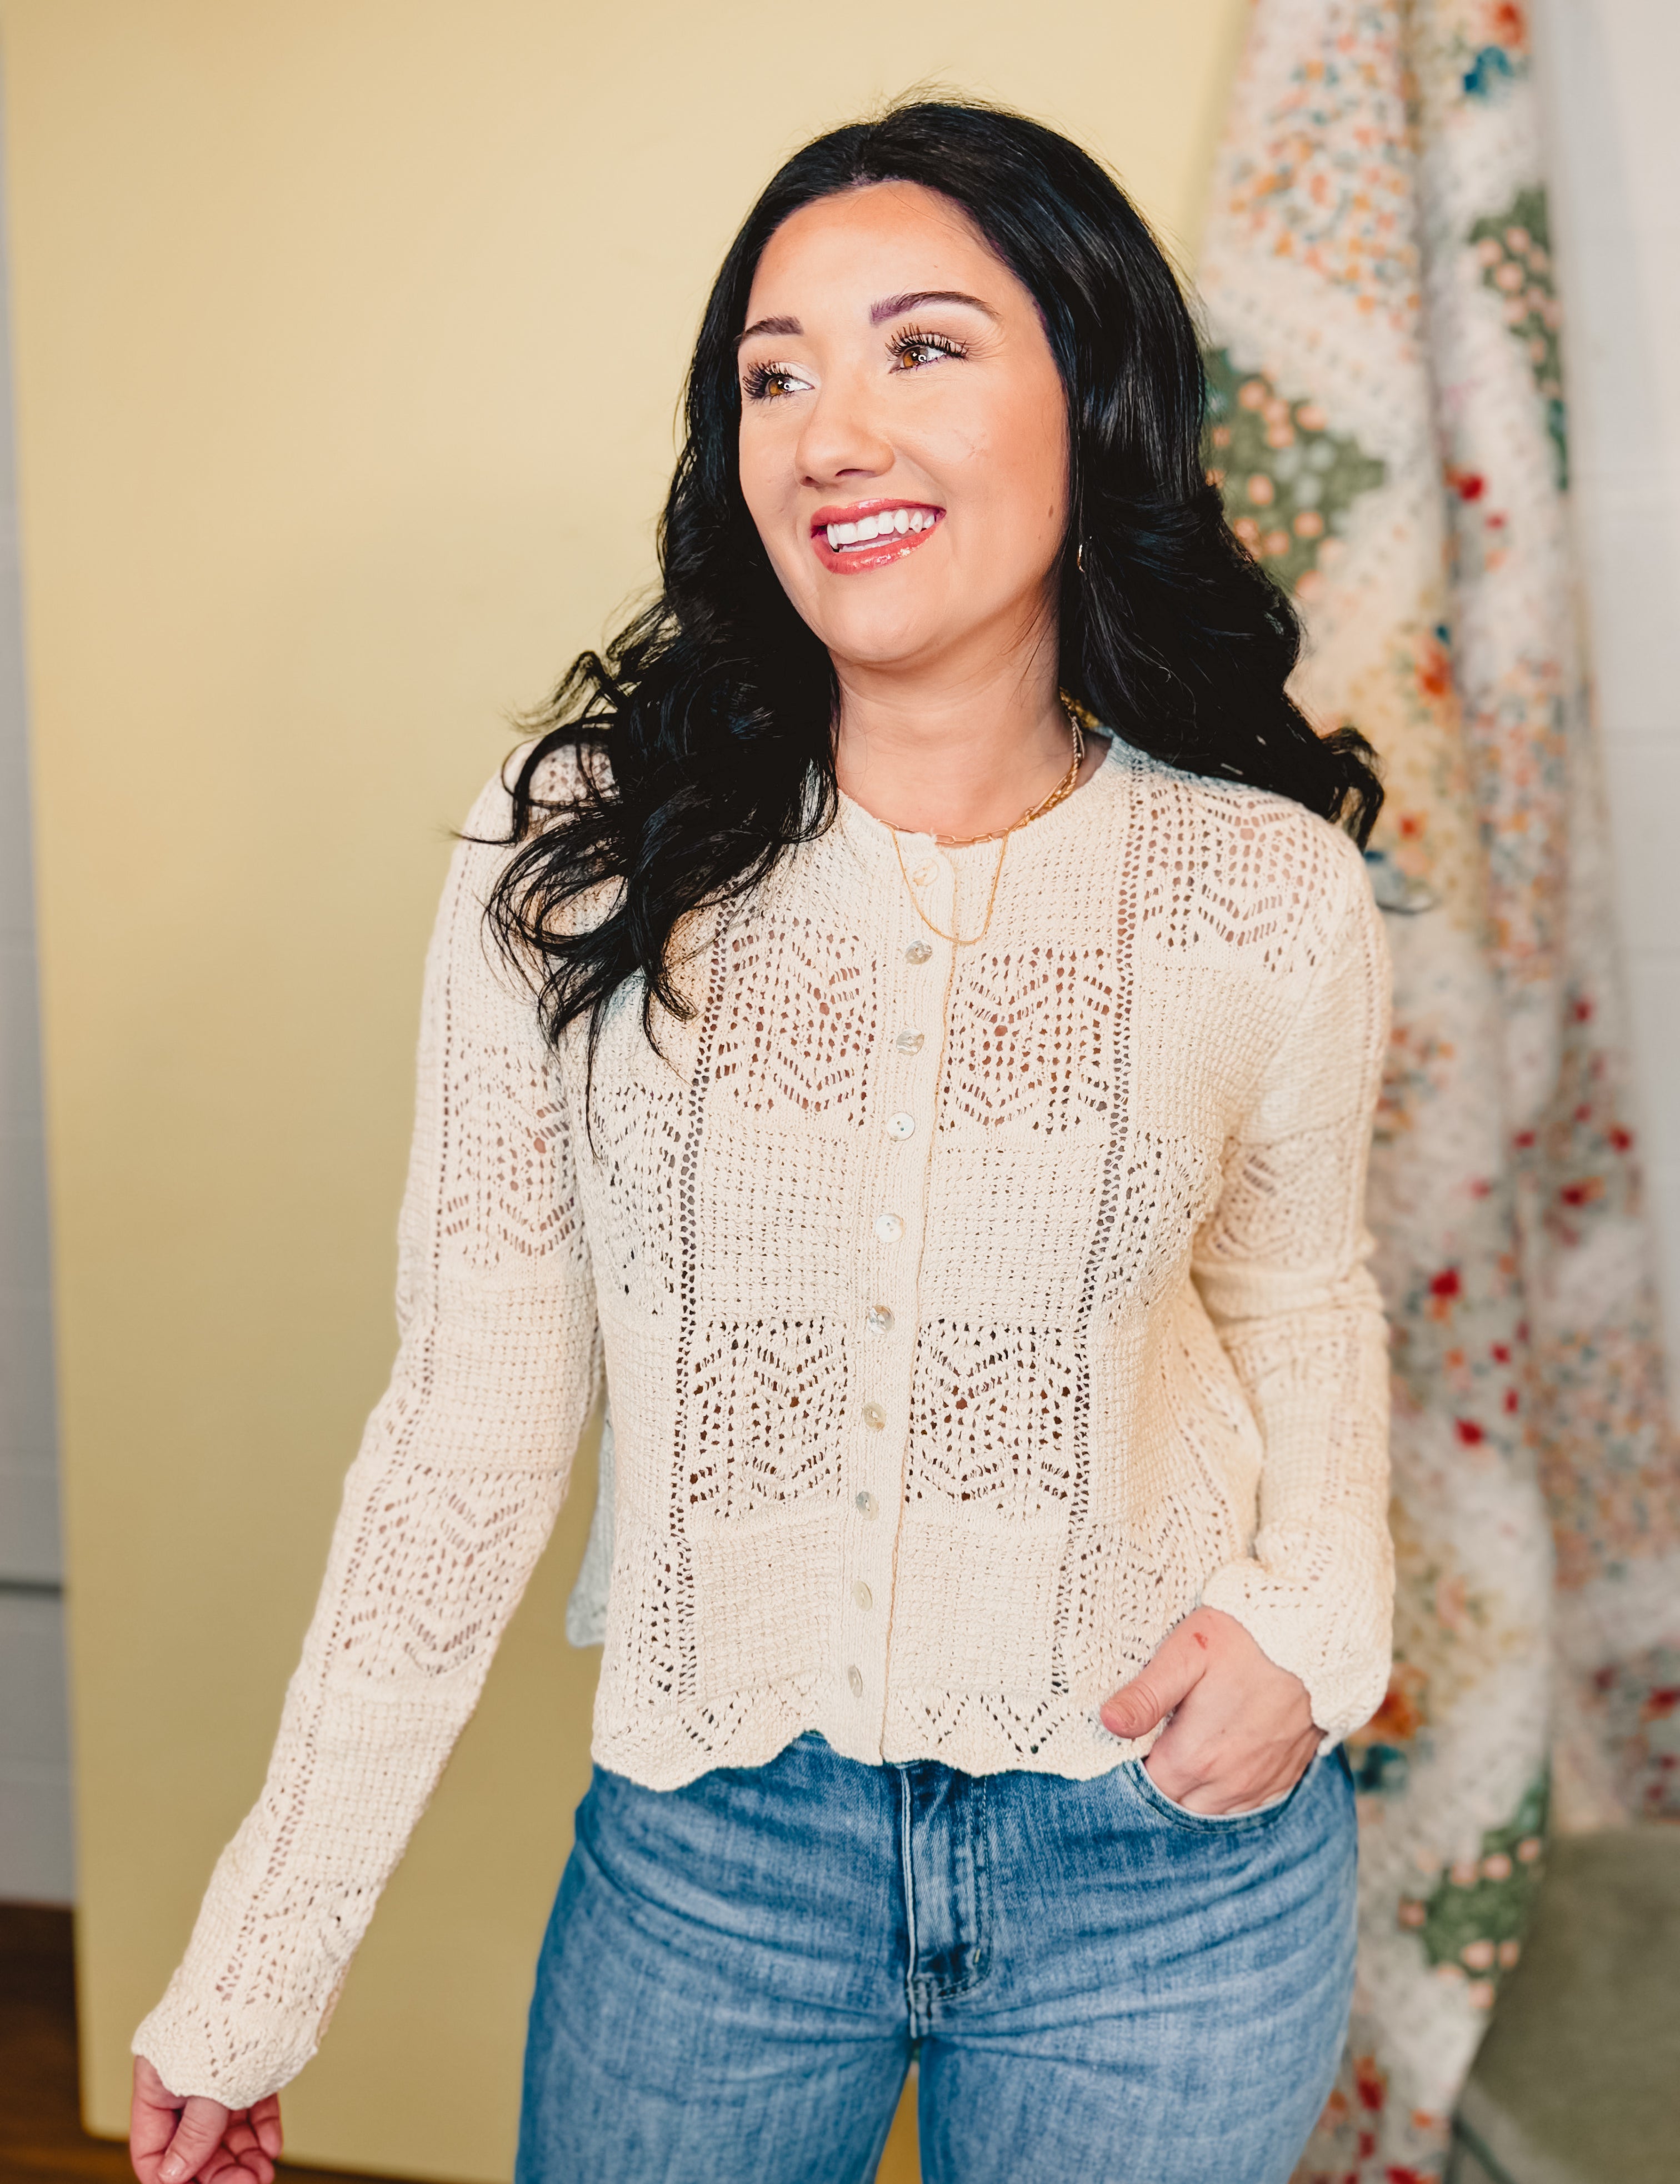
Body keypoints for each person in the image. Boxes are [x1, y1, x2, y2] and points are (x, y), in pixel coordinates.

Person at [128, 98, 1392, 2184]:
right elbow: (464, 1431)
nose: (828, 435)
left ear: (1094, 398)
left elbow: (1299, 1296)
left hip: (1169, 1866)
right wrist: (259, 1968)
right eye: (774, 376)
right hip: (718, 1866)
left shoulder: (1265, 895)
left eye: (923, 348)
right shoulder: (580, 849)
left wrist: (1315, 1622)